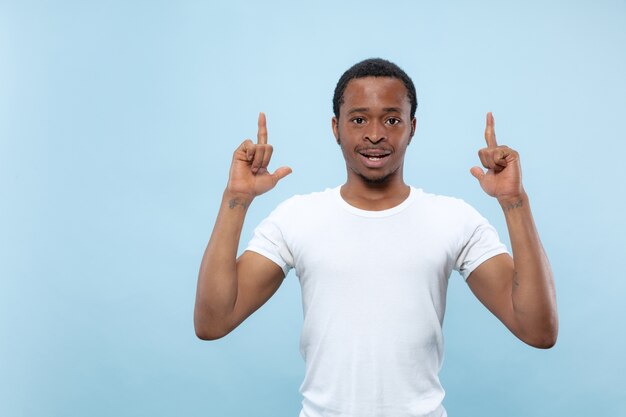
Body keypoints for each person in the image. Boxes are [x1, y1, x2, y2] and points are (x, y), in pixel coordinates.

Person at [194, 58, 558, 417]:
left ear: (412, 127)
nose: (375, 134)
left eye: (392, 119)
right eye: (358, 119)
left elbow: (538, 330)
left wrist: (515, 201)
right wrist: (236, 199)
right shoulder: (297, 216)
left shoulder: (454, 218)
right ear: (335, 128)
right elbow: (213, 322)